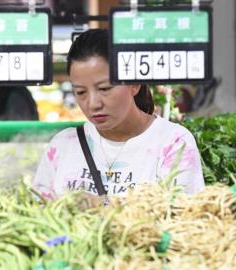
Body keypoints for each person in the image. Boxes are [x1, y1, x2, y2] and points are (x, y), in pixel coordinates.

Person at [33, 29, 204, 201]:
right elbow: (37, 214)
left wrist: (101, 209)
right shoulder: (62, 146)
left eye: (104, 89)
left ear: (134, 84)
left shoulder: (173, 143)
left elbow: (186, 219)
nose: (93, 104)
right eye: (81, 92)